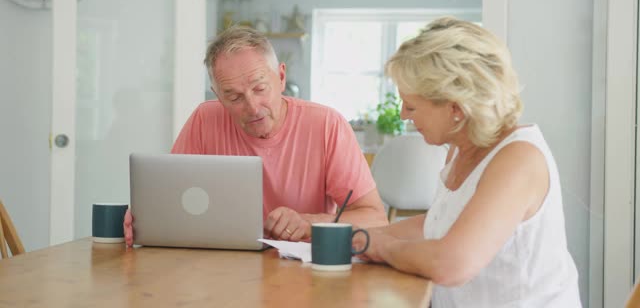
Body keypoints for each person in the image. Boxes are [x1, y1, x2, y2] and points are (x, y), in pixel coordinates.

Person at [352, 17, 581, 307]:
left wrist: (380, 246)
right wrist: (354, 236)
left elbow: (451, 263)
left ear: (456, 107)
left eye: (410, 106)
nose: (403, 116)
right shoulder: (460, 148)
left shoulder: (519, 159)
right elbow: (438, 223)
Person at [124, 26, 388, 246]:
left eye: (260, 88)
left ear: (281, 77)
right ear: (218, 97)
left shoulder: (328, 125)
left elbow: (375, 217)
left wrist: (309, 223)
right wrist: (146, 216)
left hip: (302, 269)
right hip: (223, 265)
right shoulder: (205, 119)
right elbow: (173, 197)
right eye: (234, 97)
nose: (251, 107)